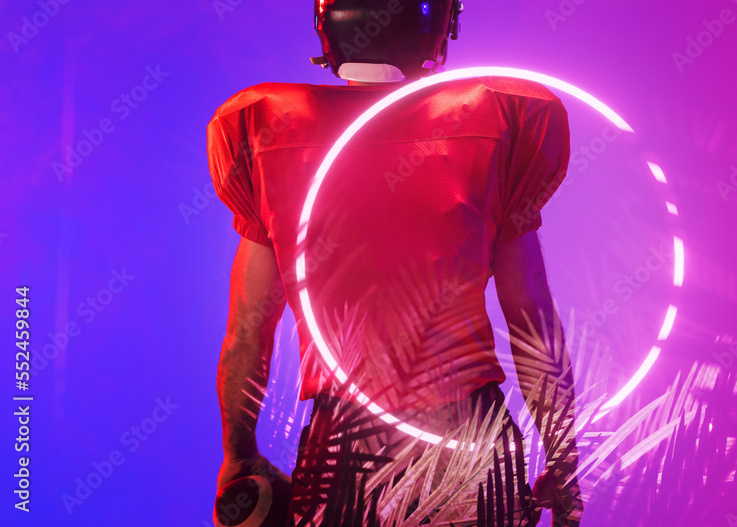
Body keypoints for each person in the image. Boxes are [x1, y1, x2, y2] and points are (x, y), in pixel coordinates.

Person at [208, 1, 582, 525]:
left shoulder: (267, 131)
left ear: (327, 24)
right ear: (436, 24)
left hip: (343, 446)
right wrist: (563, 459)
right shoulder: (499, 119)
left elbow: (248, 331)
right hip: (469, 444)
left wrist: (238, 454)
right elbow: (532, 323)